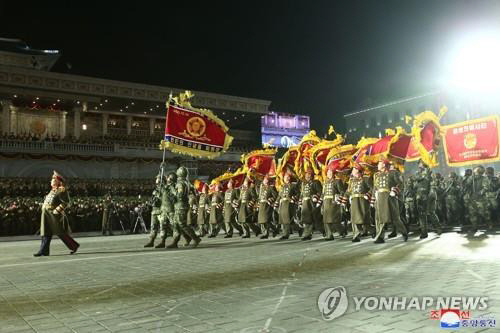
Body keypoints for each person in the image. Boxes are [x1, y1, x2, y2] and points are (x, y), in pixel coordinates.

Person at [34, 171, 80, 256]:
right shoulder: (52, 191)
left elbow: (66, 202)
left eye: (53, 179)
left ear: (58, 181)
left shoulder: (61, 190)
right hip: (46, 214)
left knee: (61, 233)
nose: (51, 180)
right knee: (46, 233)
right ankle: (43, 251)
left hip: (54, 215)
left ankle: (74, 246)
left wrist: (57, 210)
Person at [372, 159, 408, 243]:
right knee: (379, 218)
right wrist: (373, 198)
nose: (377, 165)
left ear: (384, 165)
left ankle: (404, 232)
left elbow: (401, 183)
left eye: (379, 163)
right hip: (379, 199)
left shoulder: (393, 173)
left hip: (389, 198)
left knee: (395, 218)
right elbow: (375, 187)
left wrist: (395, 191)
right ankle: (380, 237)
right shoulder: (376, 175)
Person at [166, 166, 201, 248]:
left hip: (181, 206)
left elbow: (180, 195)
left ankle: (195, 238)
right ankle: (176, 241)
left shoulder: (180, 183)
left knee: (182, 224)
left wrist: (172, 189)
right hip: (179, 205)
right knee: (176, 224)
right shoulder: (185, 182)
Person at [343, 165, 373, 242]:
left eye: (354, 170)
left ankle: (373, 231)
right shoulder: (351, 180)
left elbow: (372, 188)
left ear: (359, 171)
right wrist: (344, 200)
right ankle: (356, 235)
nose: (353, 171)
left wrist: (368, 195)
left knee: (364, 219)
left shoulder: (366, 179)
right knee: (354, 218)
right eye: (353, 170)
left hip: (363, 201)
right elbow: (348, 191)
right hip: (354, 201)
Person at [321, 168, 346, 241]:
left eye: (331, 172)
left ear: (334, 173)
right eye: (328, 172)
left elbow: (342, 191)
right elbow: (323, 193)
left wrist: (338, 199)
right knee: (326, 220)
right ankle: (329, 235)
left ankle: (342, 231)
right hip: (326, 202)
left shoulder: (337, 181)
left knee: (334, 220)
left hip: (333, 203)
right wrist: (321, 202)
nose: (329, 173)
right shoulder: (325, 182)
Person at [298, 167, 322, 241]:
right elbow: (302, 194)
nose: (308, 176)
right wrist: (300, 203)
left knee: (312, 220)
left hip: (311, 203)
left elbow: (320, 192)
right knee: (306, 219)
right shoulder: (303, 184)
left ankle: (322, 231)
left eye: (309, 174)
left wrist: (315, 197)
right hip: (305, 203)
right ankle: (307, 234)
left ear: (312, 175)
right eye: (306, 174)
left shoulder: (316, 182)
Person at [277, 171, 298, 240]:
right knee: (284, 220)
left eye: (288, 177)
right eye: (286, 177)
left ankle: (285, 234)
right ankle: (300, 229)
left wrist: (293, 199)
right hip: (282, 204)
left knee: (286, 220)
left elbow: (298, 193)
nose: (287, 178)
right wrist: (276, 202)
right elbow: (279, 196)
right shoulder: (282, 186)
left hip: (289, 204)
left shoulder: (293, 185)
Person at [257, 174, 278, 239]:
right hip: (261, 205)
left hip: (267, 205)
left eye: (267, 179)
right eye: (265, 179)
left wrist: (270, 200)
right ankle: (274, 230)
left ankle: (266, 233)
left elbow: (275, 196)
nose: (266, 180)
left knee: (266, 220)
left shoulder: (271, 187)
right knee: (261, 220)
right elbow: (259, 196)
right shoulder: (261, 187)